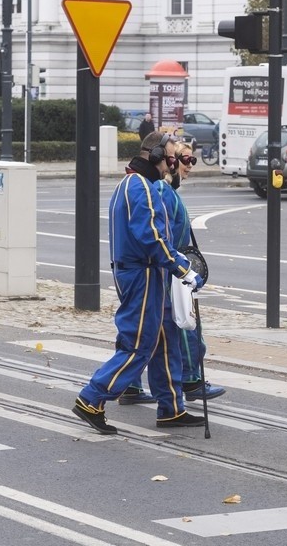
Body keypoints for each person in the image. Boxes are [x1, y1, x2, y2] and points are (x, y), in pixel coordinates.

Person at [72, 132, 206, 434]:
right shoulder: (140, 187)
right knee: (139, 343)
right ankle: (91, 398)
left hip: (145, 272)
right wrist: (181, 267)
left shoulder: (134, 185)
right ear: (156, 156)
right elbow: (152, 238)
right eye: (171, 157)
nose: (172, 164)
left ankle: (171, 407)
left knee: (164, 337)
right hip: (142, 273)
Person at [164, 142, 226, 400]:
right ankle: (190, 379)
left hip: (168, 266)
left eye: (193, 160)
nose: (190, 165)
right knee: (187, 324)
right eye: (185, 159)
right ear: (171, 161)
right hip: (174, 269)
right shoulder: (166, 192)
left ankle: (132, 385)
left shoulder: (164, 191)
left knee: (148, 332)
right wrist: (183, 269)